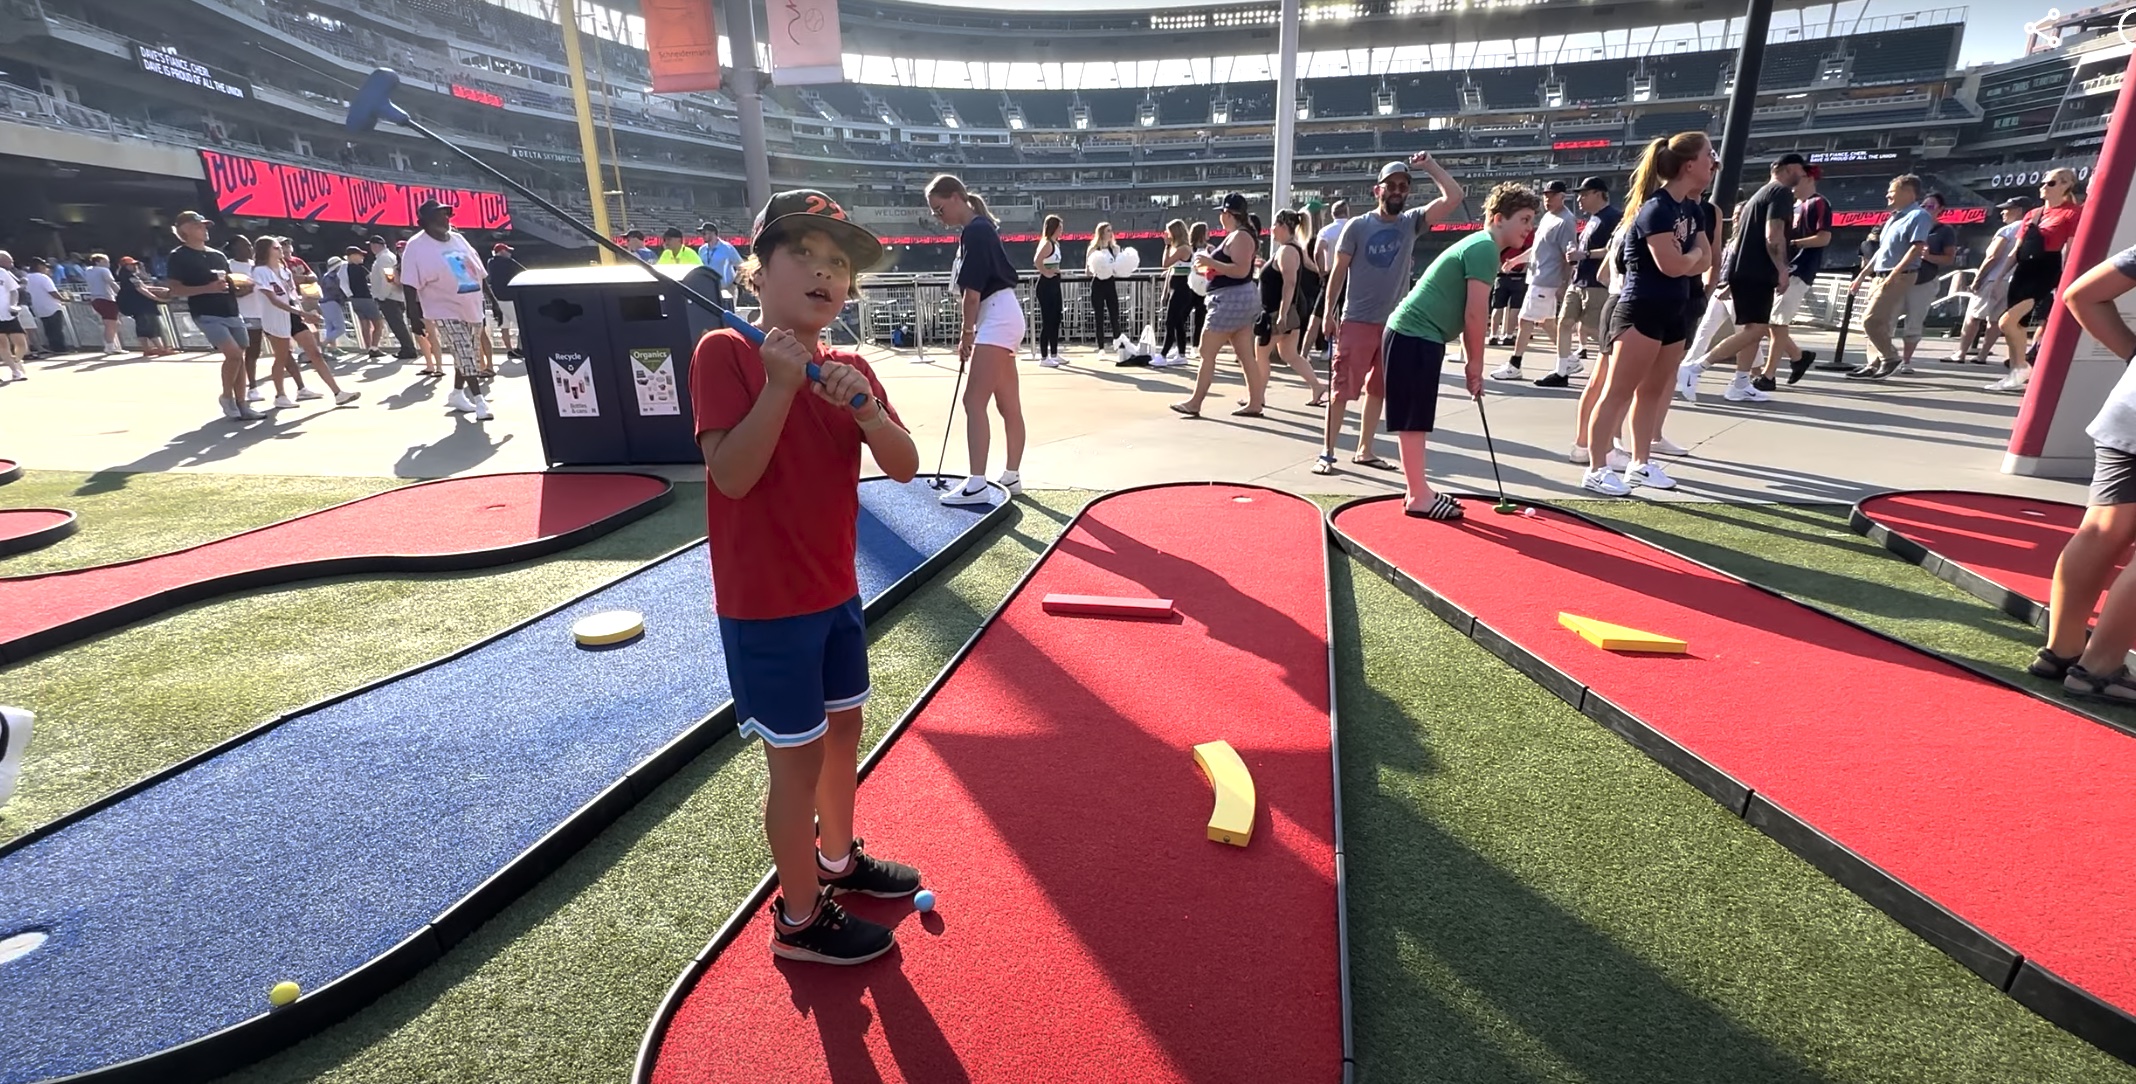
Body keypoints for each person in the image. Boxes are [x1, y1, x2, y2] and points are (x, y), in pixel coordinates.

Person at [688, 188, 923, 965]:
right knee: (793, 761)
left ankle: (836, 859)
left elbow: (905, 465)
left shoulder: (850, 368)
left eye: (840, 265)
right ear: (758, 273)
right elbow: (731, 477)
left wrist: (866, 413)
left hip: (835, 594)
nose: (827, 274)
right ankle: (797, 918)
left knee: (844, 732)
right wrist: (781, 388)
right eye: (805, 256)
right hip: (766, 607)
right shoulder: (725, 355)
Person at [1386, 182, 1541, 520]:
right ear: (1499, 218)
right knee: (1414, 417)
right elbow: (1475, 314)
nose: (1529, 228)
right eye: (1525, 220)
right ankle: (1418, 496)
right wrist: (1475, 365)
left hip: (1416, 334)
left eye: (1531, 221)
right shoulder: (1485, 248)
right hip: (1415, 333)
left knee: (1415, 416)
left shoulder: (1484, 246)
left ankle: (1417, 490)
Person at [1578, 131, 1714, 496]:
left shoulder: (1691, 208)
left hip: (1675, 310)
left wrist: (1690, 260)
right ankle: (1596, 468)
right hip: (1641, 309)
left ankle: (1640, 463)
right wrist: (1690, 259)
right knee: (1617, 391)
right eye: (1708, 155)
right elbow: (1672, 264)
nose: (1713, 162)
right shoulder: (1657, 208)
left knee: (1653, 390)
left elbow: (1707, 258)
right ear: (1689, 165)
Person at [1315, 156, 1465, 475]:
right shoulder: (1358, 226)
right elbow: (1338, 272)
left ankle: (1365, 450)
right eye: (1391, 185)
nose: (1397, 191)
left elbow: (1454, 196)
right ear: (1377, 190)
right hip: (1356, 320)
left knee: (1378, 390)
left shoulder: (1410, 222)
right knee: (1341, 390)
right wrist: (1328, 313)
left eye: (1403, 186)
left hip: (1395, 324)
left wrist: (1431, 166)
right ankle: (1327, 454)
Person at [2034, 242, 2136, 699]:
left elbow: (2082, 294)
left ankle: (2062, 650)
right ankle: (2101, 669)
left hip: (2128, 409)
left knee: (2099, 529)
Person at [926, 174, 1028, 504]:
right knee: (1007, 404)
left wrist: (966, 333)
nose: (937, 218)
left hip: (996, 317)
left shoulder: (976, 230)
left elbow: (972, 293)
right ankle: (1011, 477)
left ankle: (977, 483)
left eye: (939, 209)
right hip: (1004, 315)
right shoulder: (979, 228)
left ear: (956, 197)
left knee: (973, 401)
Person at [1677, 154, 1806, 403]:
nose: (1803, 175)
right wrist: (1782, 268)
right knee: (1755, 329)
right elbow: (1774, 235)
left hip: (1745, 270)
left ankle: (1740, 383)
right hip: (1758, 271)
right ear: (1789, 168)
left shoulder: (1759, 195)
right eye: (1801, 169)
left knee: (1752, 329)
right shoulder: (1780, 193)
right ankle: (1695, 367)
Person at [1172, 193, 1266, 417]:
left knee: (1207, 350)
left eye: (1222, 213)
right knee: (1245, 354)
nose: (1220, 218)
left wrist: (1210, 262)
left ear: (1228, 214)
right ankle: (1255, 402)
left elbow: (1241, 270)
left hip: (1230, 301)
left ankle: (1196, 402)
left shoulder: (1240, 237)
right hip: (1238, 299)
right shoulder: (1239, 236)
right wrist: (1209, 267)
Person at [401, 199, 495, 419]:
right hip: (442, 308)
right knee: (464, 351)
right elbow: (409, 284)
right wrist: (413, 317)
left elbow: (479, 272)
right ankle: (480, 402)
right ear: (424, 222)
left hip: (471, 305)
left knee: (467, 354)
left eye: (447, 213)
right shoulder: (416, 246)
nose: (446, 218)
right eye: (439, 215)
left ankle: (456, 394)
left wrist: (494, 302)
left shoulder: (459, 239)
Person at [1992, 168, 2084, 393]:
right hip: (2024, 269)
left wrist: (2065, 278)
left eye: (2050, 183)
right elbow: (2017, 248)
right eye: (2043, 182)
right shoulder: (2032, 214)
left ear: (2065, 185)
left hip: (2046, 269)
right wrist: (1999, 276)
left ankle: (2022, 366)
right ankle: (2017, 372)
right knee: (2016, 325)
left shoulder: (2072, 213)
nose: (2043, 186)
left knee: (2007, 321)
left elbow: (2069, 250)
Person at [163, 211, 260, 419]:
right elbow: (175, 290)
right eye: (199, 226)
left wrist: (242, 286)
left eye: (205, 226)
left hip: (231, 309)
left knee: (239, 357)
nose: (204, 230)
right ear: (185, 230)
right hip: (206, 312)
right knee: (233, 354)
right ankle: (227, 397)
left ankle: (242, 404)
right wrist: (208, 288)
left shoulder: (218, 255)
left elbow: (228, 283)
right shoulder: (178, 256)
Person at [1845, 174, 1937, 381]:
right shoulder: (1894, 217)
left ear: (1908, 192)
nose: (1887, 195)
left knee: (1870, 320)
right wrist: (1862, 275)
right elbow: (1881, 251)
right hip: (1881, 274)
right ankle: (1873, 363)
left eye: (1892, 191)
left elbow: (1916, 248)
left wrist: (1894, 275)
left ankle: (1890, 357)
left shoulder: (1918, 216)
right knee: (1879, 322)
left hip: (1899, 275)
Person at [253, 236, 359, 409]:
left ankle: (338, 393)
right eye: (276, 247)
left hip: (293, 315)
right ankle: (280, 395)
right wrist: (301, 312)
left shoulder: (285, 270)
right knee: (282, 357)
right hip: (275, 318)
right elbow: (273, 300)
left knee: (315, 353)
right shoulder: (260, 272)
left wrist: (304, 313)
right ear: (265, 250)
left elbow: (292, 296)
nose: (281, 249)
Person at [1492, 179, 1576, 381]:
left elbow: (1569, 254)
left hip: (1546, 279)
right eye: (1545, 195)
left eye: (1552, 195)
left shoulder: (1566, 220)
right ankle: (1569, 357)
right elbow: (1537, 248)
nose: (1547, 199)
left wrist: (1564, 283)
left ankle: (1515, 363)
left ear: (1562, 196)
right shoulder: (1548, 217)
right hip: (1538, 275)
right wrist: (1516, 260)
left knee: (1525, 320)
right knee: (1546, 322)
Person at [1540, 176, 1619, 388]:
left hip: (1597, 283)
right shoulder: (1592, 218)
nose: (1580, 200)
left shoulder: (1613, 217)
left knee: (1594, 329)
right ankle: (1561, 370)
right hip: (1579, 280)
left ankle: (1620, 365)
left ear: (1598, 194)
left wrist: (1583, 254)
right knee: (1565, 323)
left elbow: (1614, 250)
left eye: (1584, 194)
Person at [1251, 209, 1326, 411]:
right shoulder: (1293, 249)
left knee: (1261, 354)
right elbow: (1304, 268)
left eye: (1274, 225)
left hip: (1278, 312)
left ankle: (1257, 397)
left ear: (1283, 226)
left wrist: (1282, 314)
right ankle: (1317, 387)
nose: (1272, 230)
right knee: (1290, 354)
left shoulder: (1287, 251)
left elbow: (1289, 283)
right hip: (1289, 312)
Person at [1767, 163, 1832, 384]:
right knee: (1772, 321)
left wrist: (1793, 243)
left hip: (1800, 269)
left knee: (1777, 322)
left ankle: (1769, 374)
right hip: (1785, 269)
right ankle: (1798, 357)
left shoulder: (1819, 203)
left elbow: (1824, 237)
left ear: (1809, 179)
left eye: (1799, 177)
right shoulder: (1794, 205)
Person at [1951, 197, 2032, 366]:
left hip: (1993, 278)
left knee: (1973, 316)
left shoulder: (2008, 230)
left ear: (2018, 210)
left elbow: (1992, 256)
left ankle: (1961, 353)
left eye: (2007, 209)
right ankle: (1982, 355)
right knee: (1995, 320)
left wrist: (1978, 279)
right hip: (2013, 281)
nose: (2003, 212)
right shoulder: (2032, 230)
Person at [1897, 192, 1958, 373]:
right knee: (1886, 319)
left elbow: (1949, 259)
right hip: (1900, 278)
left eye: (1930, 206)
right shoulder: (1911, 224)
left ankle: (1905, 361)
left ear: (1940, 209)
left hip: (1924, 281)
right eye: (1923, 206)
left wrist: (1928, 256)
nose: (1925, 209)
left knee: (1914, 322)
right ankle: (1882, 358)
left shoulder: (1944, 231)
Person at [1308, 200, 1351, 361]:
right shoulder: (1352, 227)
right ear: (1347, 211)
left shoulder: (1326, 231)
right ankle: (1342, 350)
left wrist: (1321, 271)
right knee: (1345, 314)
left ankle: (1316, 351)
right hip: (1350, 274)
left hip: (1331, 273)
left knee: (1322, 313)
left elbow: (1318, 252)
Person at [368, 235, 421, 361]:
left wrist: (383, 295)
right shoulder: (385, 257)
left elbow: (389, 278)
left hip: (390, 297)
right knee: (398, 324)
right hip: (393, 296)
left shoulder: (384, 259)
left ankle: (408, 349)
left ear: (375, 246)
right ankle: (407, 348)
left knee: (397, 325)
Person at [1085, 222, 1132, 353]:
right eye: (1108, 231)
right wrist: (1098, 268)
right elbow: (1087, 272)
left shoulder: (1115, 249)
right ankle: (1101, 347)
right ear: (1101, 233)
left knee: (1114, 314)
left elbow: (1118, 269)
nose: (1111, 233)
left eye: (1111, 230)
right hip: (1098, 283)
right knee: (1099, 316)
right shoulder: (1093, 249)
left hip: (1110, 284)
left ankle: (1118, 344)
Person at [1157, 218, 1197, 363]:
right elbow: (1168, 267)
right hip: (1178, 287)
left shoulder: (1183, 249)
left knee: (1170, 321)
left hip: (1181, 288)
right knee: (1178, 322)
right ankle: (1181, 354)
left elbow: (1165, 263)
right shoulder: (1181, 248)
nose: (1166, 234)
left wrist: (1167, 246)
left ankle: (1163, 354)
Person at [115, 256, 170, 357]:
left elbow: (143, 287)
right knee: (152, 327)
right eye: (132, 264)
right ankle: (161, 349)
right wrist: (156, 298)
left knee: (141, 328)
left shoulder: (126, 277)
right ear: (126, 266)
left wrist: (159, 288)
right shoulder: (130, 276)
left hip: (135, 306)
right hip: (143, 305)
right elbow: (141, 289)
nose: (135, 266)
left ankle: (146, 349)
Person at [338, 246, 386, 358]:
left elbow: (342, 283)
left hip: (354, 299)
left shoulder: (343, 268)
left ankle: (368, 347)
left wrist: (349, 295)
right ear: (352, 256)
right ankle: (374, 347)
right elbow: (372, 278)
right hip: (366, 298)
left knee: (364, 324)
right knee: (378, 324)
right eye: (360, 255)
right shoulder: (359, 268)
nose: (362, 257)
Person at [1033, 215, 1066, 367]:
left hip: (1055, 283)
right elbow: (1037, 260)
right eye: (1060, 227)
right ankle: (1044, 357)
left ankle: (1054, 352)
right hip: (1046, 285)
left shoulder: (1055, 244)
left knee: (1056, 318)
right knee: (1047, 321)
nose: (1062, 230)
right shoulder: (1047, 244)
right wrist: (1045, 272)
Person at [21, 258, 69, 358]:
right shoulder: (43, 277)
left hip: (38, 307)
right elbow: (52, 292)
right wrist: (64, 299)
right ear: (40, 266)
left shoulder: (26, 277)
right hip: (52, 306)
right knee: (56, 329)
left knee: (48, 329)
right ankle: (60, 348)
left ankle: (53, 347)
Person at [486, 242, 526, 360]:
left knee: (504, 326)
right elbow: (524, 271)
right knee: (521, 323)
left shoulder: (491, 263)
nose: (509, 253)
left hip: (497, 299)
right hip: (510, 298)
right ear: (502, 252)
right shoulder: (508, 262)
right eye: (508, 251)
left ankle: (509, 350)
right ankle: (520, 349)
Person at [83, 254, 122, 354]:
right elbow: (111, 282)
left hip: (95, 299)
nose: (108, 264)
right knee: (110, 325)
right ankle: (109, 347)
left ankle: (113, 345)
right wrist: (121, 294)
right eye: (105, 261)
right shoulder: (103, 270)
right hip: (106, 298)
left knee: (114, 323)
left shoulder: (88, 271)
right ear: (98, 262)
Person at [1487, 250, 1527, 347]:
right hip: (1519, 277)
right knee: (1515, 308)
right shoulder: (1526, 240)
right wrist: (1522, 272)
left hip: (1502, 276)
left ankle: (1493, 335)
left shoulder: (1503, 240)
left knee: (1498, 307)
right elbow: (1528, 259)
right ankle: (1509, 336)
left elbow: (1496, 257)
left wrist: (1502, 270)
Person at [697, 223, 743, 301]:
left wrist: (734, 285)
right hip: (708, 291)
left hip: (726, 290)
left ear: (713, 233)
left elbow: (742, 267)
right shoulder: (702, 250)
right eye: (701, 233)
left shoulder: (727, 248)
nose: (702, 236)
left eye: (704, 233)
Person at [0, 252, 27, 381]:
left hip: (8, 313)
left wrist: (13, 305)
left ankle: (16, 361)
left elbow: (14, 290)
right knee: (3, 345)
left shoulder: (3, 273)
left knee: (21, 344)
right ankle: (15, 371)